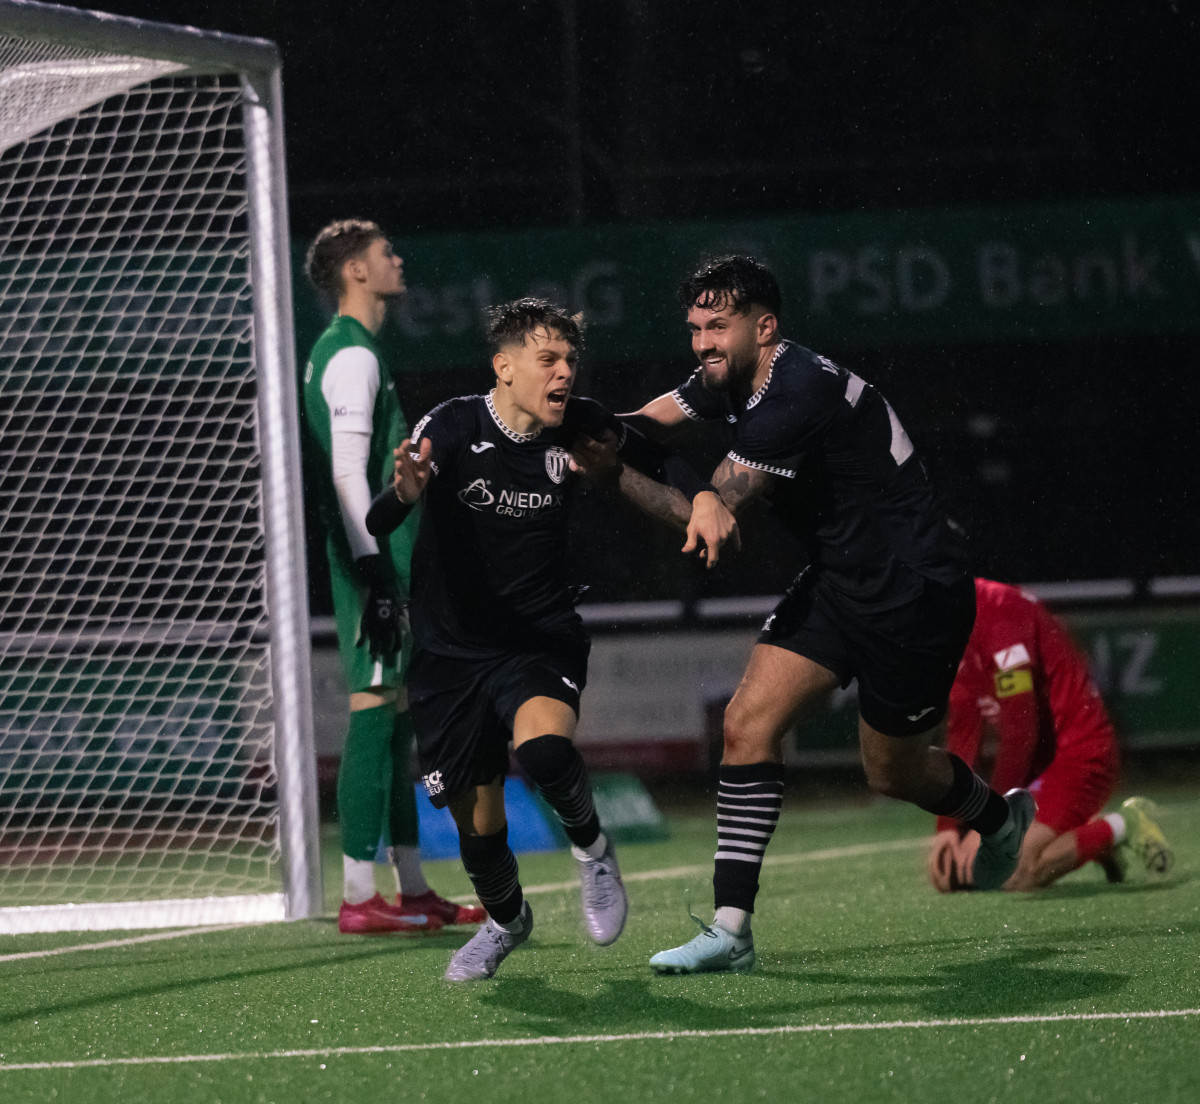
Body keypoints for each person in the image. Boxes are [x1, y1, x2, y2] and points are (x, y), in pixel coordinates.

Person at [609, 254, 1033, 974]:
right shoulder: (729, 376)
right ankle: (731, 931)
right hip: (842, 579)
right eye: (694, 329)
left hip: (915, 590)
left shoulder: (795, 394)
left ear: (764, 327)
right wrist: (576, 428)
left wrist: (627, 471)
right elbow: (644, 425)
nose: (703, 343)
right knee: (748, 725)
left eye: (718, 326)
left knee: (891, 771)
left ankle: (1001, 818)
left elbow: (717, 514)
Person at [365, 297, 737, 980]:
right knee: (479, 826)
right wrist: (407, 494)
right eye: (549, 359)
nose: (565, 372)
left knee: (542, 750)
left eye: (570, 359)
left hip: (538, 639)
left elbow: (656, 455)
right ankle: (508, 923)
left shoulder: (579, 427)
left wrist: (705, 494)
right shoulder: (452, 426)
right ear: (504, 367)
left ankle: (593, 851)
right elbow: (381, 514)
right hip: (448, 657)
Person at [301, 219, 485, 934]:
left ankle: (410, 888)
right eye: (385, 253)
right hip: (372, 563)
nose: (397, 259)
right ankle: (356, 895)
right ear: (355, 272)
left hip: (383, 559)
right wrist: (376, 572)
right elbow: (348, 473)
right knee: (374, 711)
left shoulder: (352, 352)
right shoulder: (349, 356)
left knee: (400, 716)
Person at [927, 577, 1174, 892]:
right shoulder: (948, 623)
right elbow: (963, 732)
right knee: (964, 875)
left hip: (1080, 753)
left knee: (1015, 873)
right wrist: (948, 826)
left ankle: (1124, 825)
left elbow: (1021, 732)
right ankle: (1082, 830)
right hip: (1040, 765)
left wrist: (991, 822)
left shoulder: (999, 610)